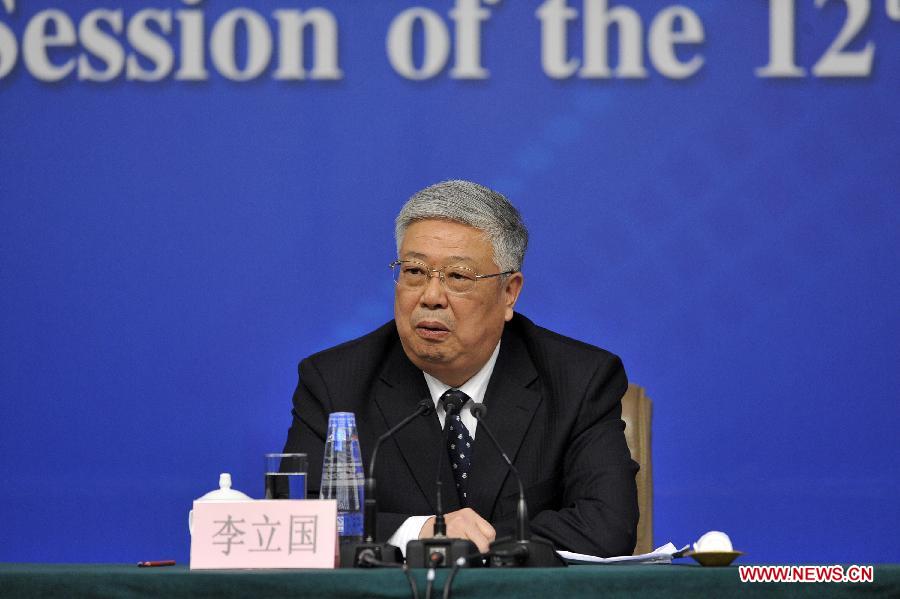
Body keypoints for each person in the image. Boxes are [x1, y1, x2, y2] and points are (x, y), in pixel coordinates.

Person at [282, 180, 638, 557]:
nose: (431, 297)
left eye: (457, 277)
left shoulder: (579, 380)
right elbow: (296, 523)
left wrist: (464, 545)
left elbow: (607, 526)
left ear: (509, 293)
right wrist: (419, 531)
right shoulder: (335, 382)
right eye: (415, 271)